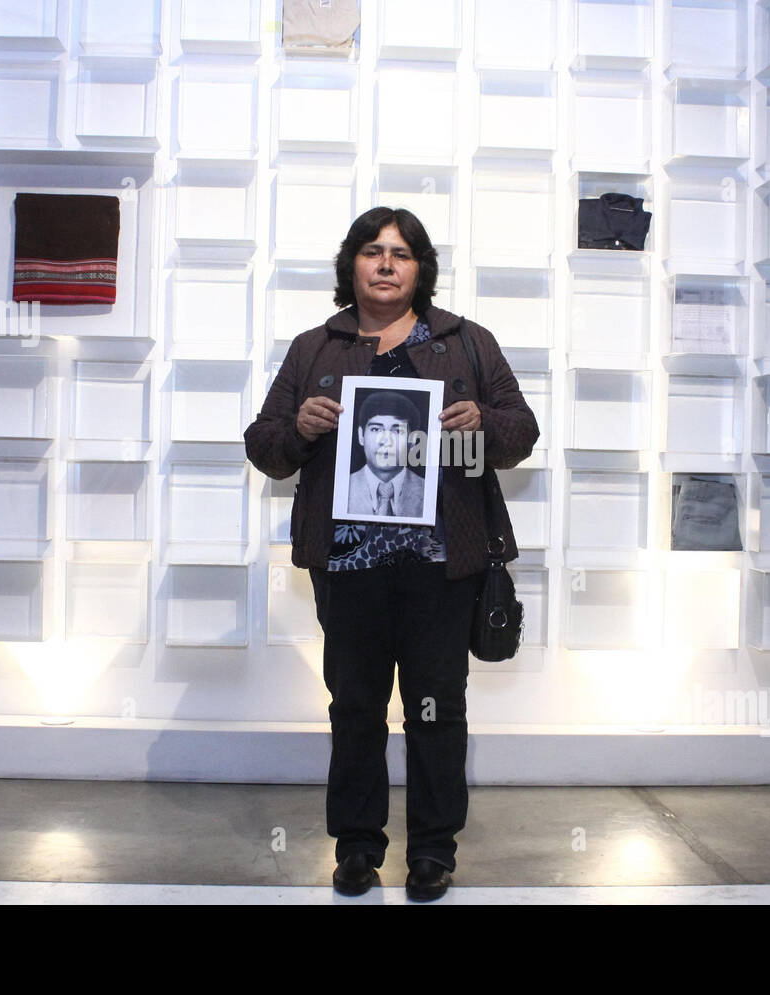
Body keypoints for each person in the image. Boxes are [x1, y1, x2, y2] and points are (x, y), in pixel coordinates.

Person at [244, 206, 539, 901]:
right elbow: (263, 445)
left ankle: (434, 850)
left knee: (437, 706)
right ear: (352, 264)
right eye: (373, 251)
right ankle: (356, 846)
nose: (386, 263)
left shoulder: (466, 342)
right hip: (346, 566)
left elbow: (521, 431)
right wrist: (299, 426)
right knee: (355, 706)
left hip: (443, 566)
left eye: (401, 253)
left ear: (420, 268)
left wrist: (482, 422)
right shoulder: (317, 347)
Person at [346, 390, 426, 518]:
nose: (386, 441)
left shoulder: (428, 491)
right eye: (376, 429)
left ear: (412, 441)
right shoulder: (342, 488)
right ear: (361, 435)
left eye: (397, 430)